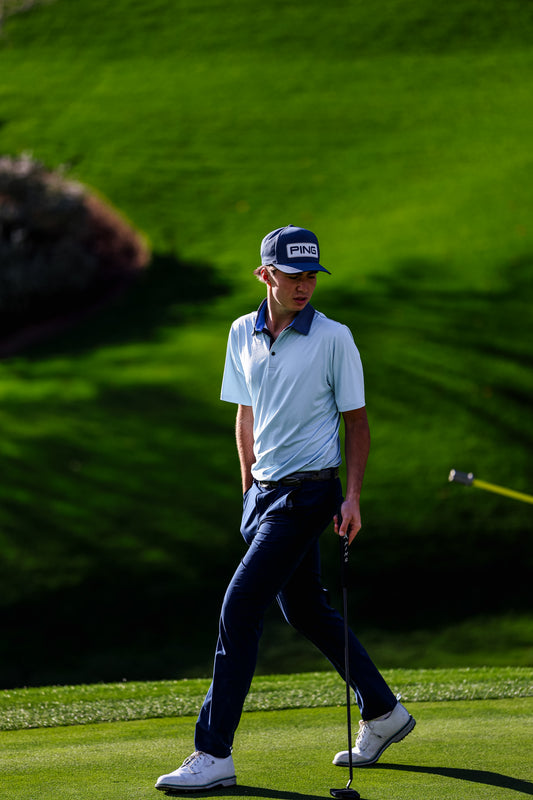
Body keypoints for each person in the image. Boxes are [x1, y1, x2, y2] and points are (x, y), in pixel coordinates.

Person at [155, 225, 415, 793]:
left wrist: (352, 496)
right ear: (265, 274)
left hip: (310, 492)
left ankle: (212, 752)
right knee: (304, 610)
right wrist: (248, 485)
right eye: (293, 275)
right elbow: (244, 412)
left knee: (239, 606)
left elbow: (358, 422)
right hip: (265, 495)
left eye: (311, 276)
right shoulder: (239, 333)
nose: (304, 286)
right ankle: (385, 711)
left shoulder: (334, 338)